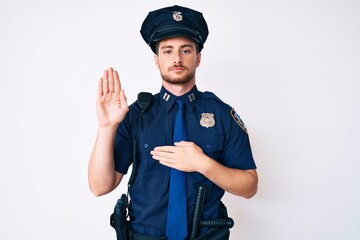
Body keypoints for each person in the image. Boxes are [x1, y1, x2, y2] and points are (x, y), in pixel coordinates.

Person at [88, 5, 258, 240]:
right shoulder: (136, 114)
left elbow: (249, 187)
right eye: (168, 51)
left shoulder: (221, 114)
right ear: (156, 59)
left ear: (198, 58)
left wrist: (203, 164)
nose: (177, 59)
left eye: (186, 50)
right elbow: (100, 187)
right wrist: (106, 127)